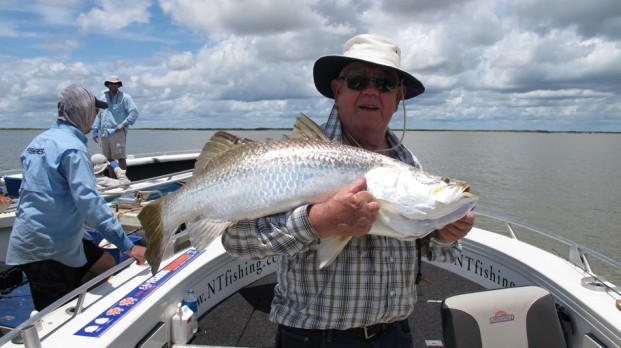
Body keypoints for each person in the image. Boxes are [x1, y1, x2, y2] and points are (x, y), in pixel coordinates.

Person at [222, 34, 475, 347]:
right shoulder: (289, 157)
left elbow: (434, 248)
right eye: (357, 81)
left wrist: (444, 235)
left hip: (396, 335)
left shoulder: (409, 164)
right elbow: (234, 241)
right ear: (337, 90)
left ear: (398, 96)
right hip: (312, 339)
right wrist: (317, 222)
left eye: (384, 83)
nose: (371, 90)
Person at [6, 84, 146, 311]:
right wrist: (128, 246)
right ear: (81, 111)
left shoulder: (38, 142)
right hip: (46, 249)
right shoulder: (73, 149)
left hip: (37, 237)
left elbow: (43, 194)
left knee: (105, 265)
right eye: (94, 109)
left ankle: (79, 305)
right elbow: (89, 202)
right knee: (54, 317)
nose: (97, 115)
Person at [92, 75, 139, 175]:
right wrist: (95, 128)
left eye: (115, 84)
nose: (113, 85)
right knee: (107, 159)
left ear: (119, 85)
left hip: (117, 132)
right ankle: (111, 180)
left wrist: (123, 124)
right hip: (104, 133)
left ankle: (123, 179)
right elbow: (99, 115)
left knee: (121, 157)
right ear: (107, 85)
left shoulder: (125, 97)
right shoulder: (103, 97)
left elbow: (134, 112)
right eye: (111, 83)